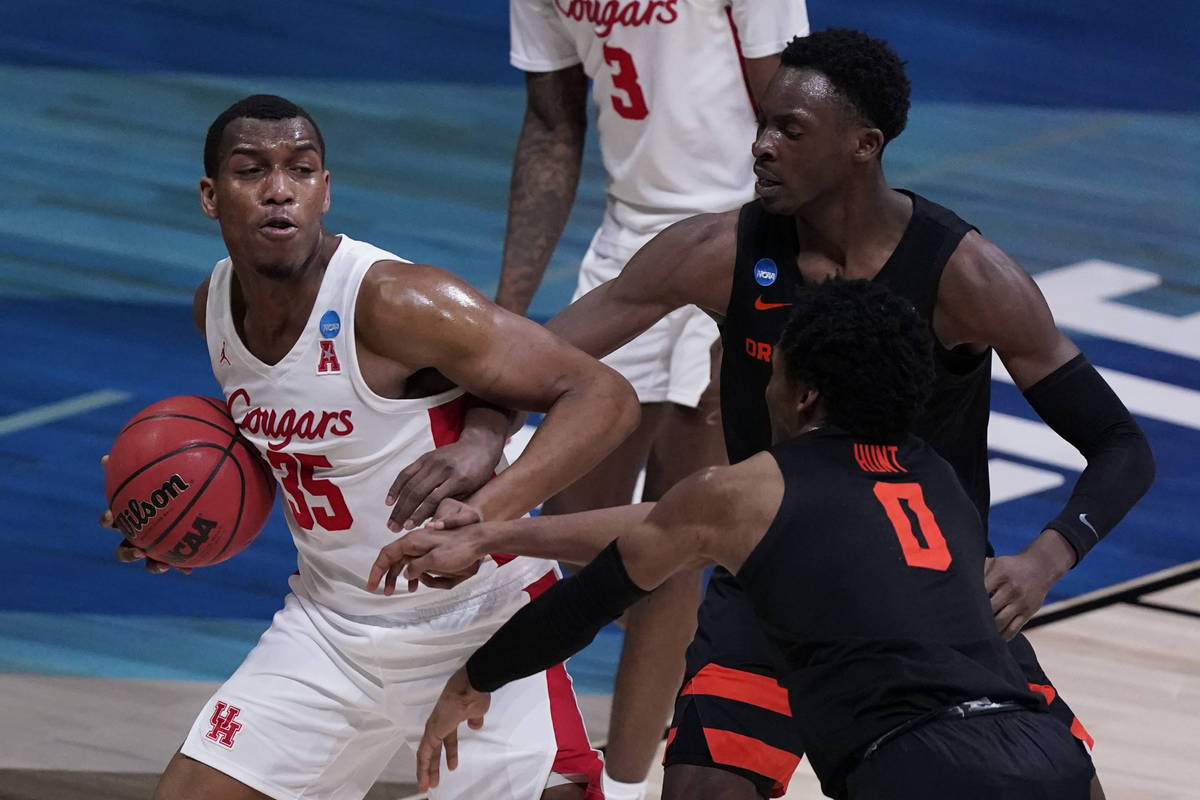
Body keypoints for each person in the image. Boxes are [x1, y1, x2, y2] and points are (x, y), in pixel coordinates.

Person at [394, 28, 1156, 799]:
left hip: (921, 594)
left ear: (864, 144)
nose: (759, 146)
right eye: (760, 122)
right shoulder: (715, 250)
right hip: (765, 575)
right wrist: (485, 437)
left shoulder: (969, 276)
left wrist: (1044, 560)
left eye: (788, 129)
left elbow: (1122, 444)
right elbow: (535, 359)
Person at [99, 94, 640, 800]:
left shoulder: (397, 302)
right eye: (250, 170)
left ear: (326, 190)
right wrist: (172, 516)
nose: (278, 189)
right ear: (210, 196)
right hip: (328, 628)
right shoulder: (215, 309)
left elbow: (604, 398)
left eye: (301, 169)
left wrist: (485, 513)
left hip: (478, 626)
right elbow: (290, 441)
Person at [383, 279, 1098, 799]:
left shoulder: (749, 488)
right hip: (1045, 752)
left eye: (773, 372)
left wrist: (473, 679)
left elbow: (596, 595)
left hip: (920, 768)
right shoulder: (936, 476)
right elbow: (663, 522)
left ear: (805, 393)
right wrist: (503, 532)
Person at [499, 5, 809, 795]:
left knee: (683, 535)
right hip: (627, 247)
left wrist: (767, 293)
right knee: (576, 534)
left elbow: (799, 117)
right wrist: (503, 326)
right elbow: (551, 126)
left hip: (739, 243)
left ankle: (628, 782)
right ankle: (546, 751)